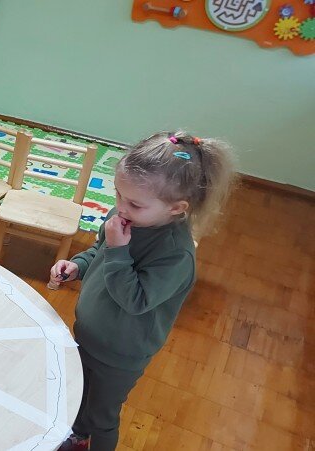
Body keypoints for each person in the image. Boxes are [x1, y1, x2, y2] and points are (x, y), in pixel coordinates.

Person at [52, 131, 237, 451]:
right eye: (118, 195)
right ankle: (77, 436)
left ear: (177, 208)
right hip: (88, 333)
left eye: (135, 204)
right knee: (78, 394)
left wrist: (118, 250)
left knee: (102, 417)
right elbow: (99, 252)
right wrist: (78, 265)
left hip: (121, 354)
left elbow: (135, 300)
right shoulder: (120, 216)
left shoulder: (176, 254)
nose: (120, 208)